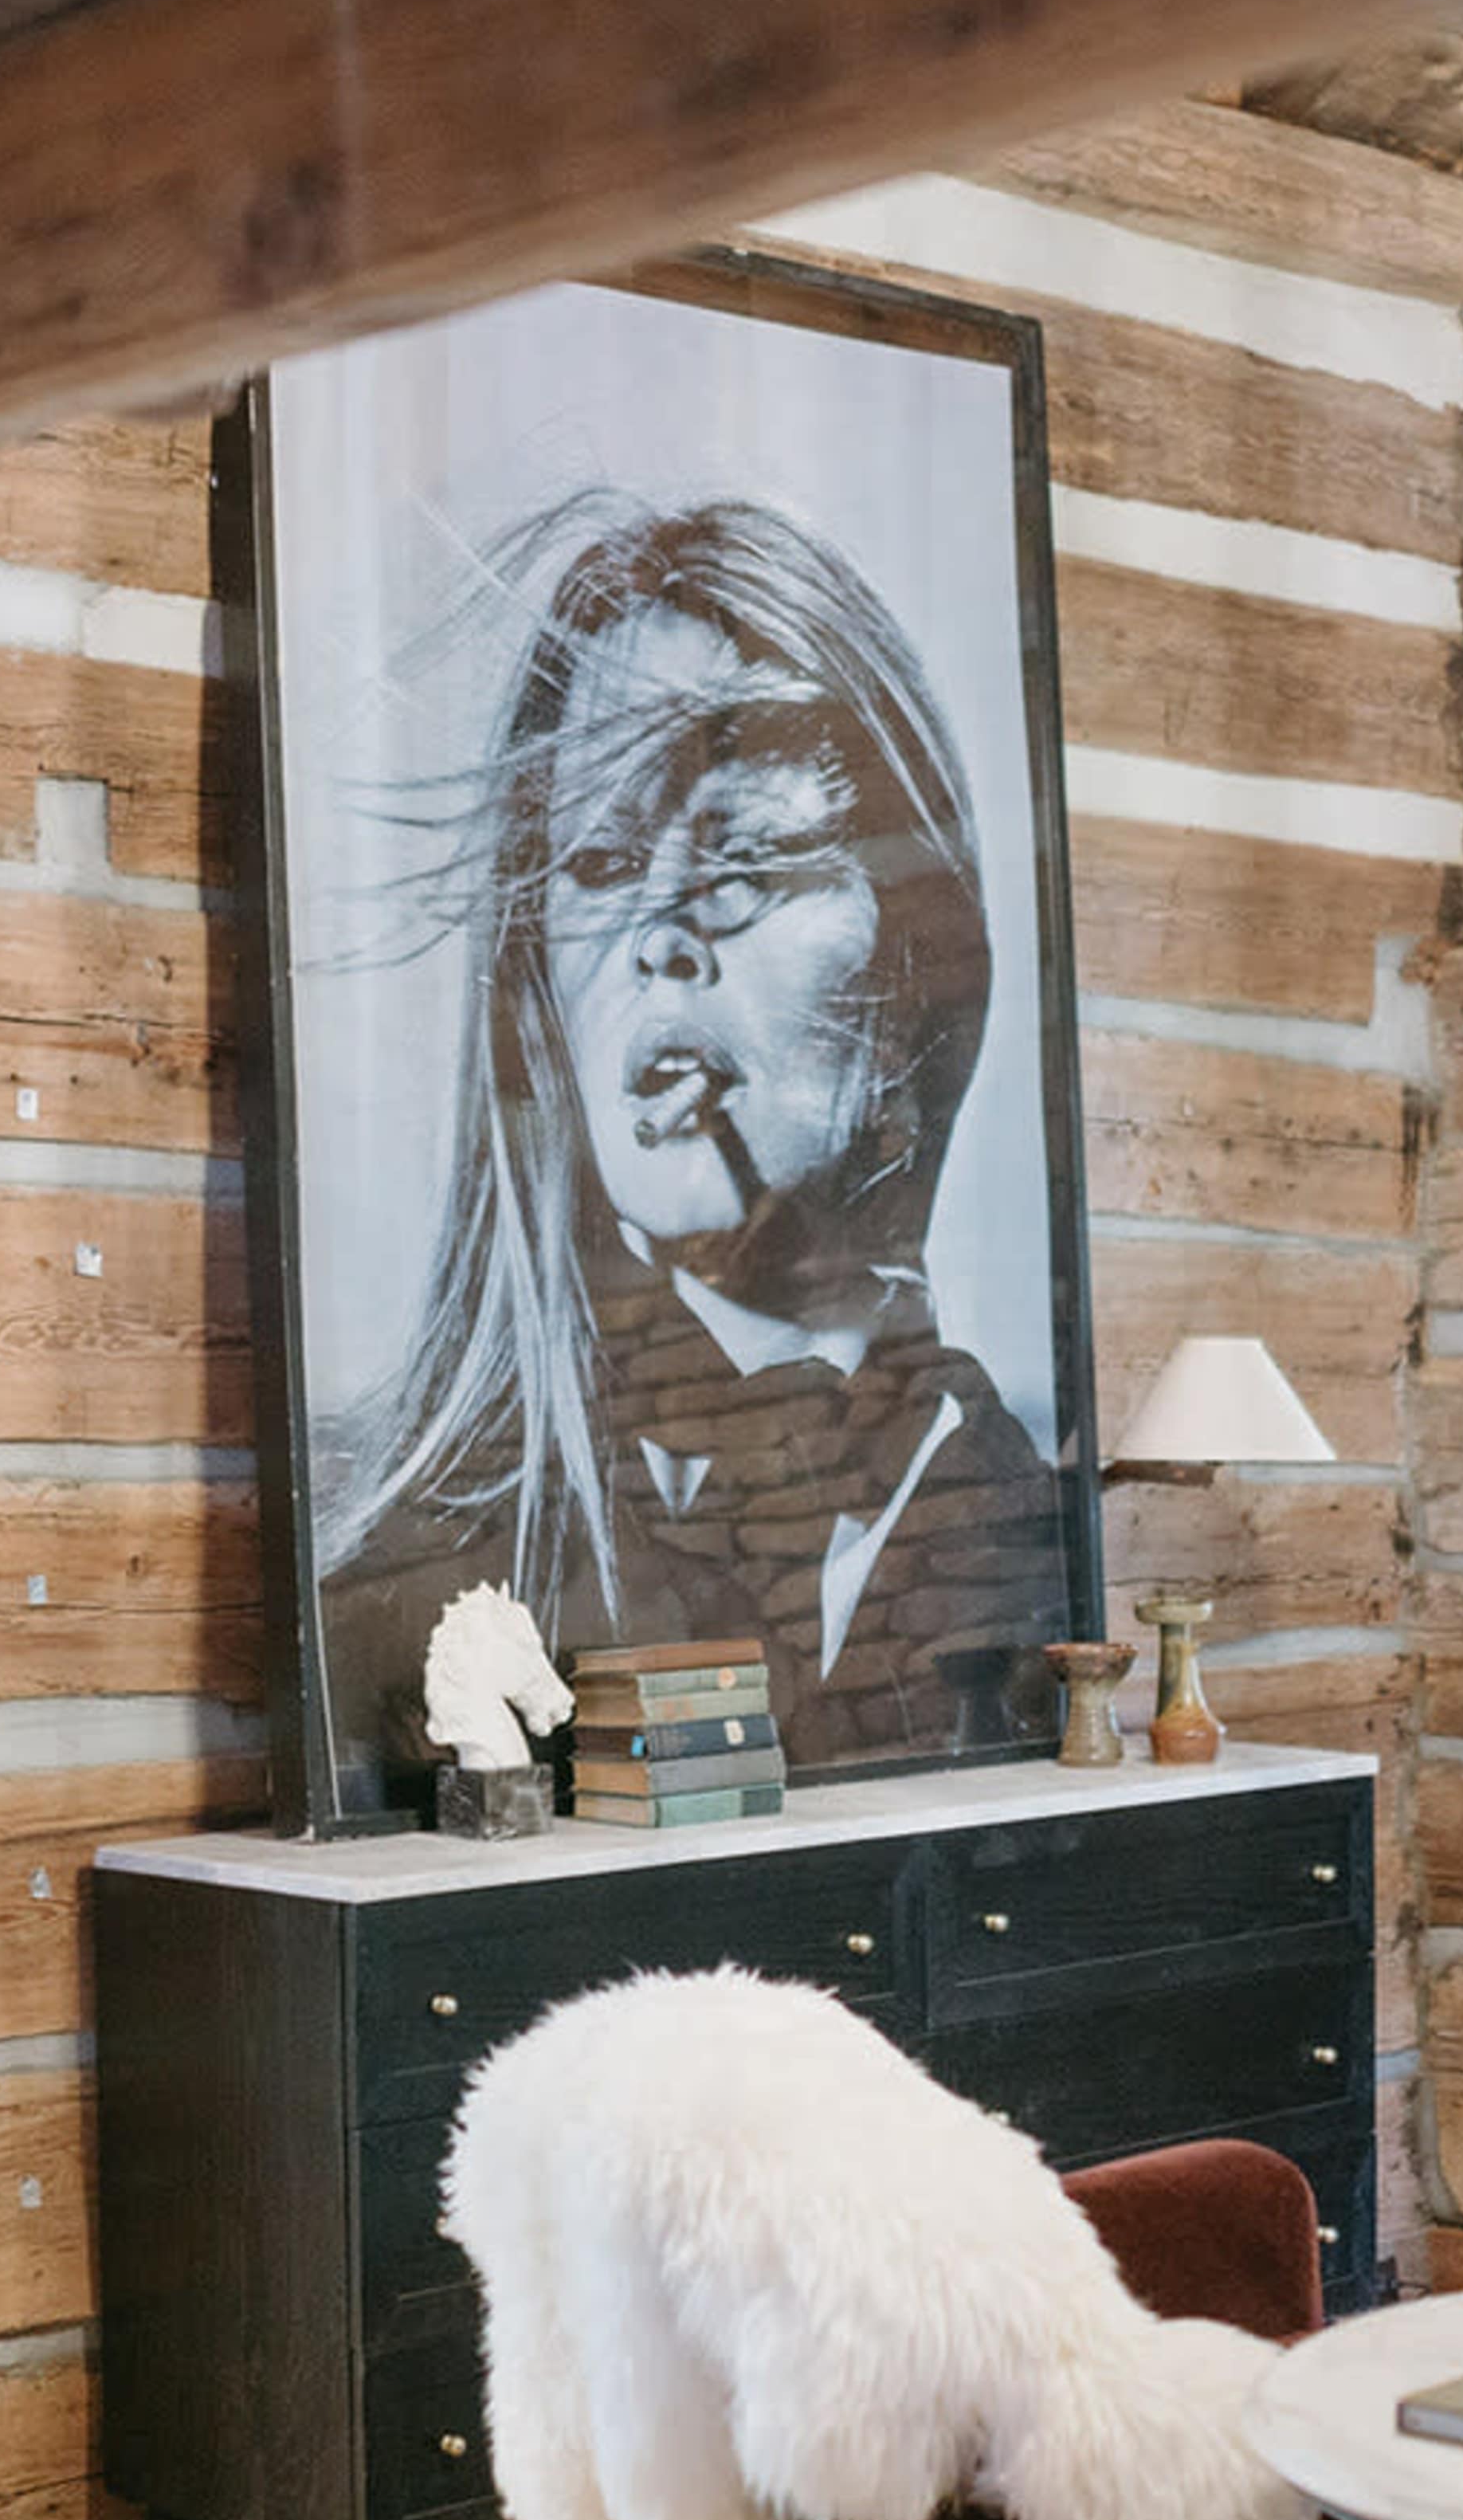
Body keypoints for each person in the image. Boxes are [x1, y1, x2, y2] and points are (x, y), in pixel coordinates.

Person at [316, 493, 1070, 1797]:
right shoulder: (395, 1567)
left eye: (745, 864)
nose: (663, 931)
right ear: (539, 1001)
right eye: (601, 864)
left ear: (910, 976)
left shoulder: (1031, 1531)